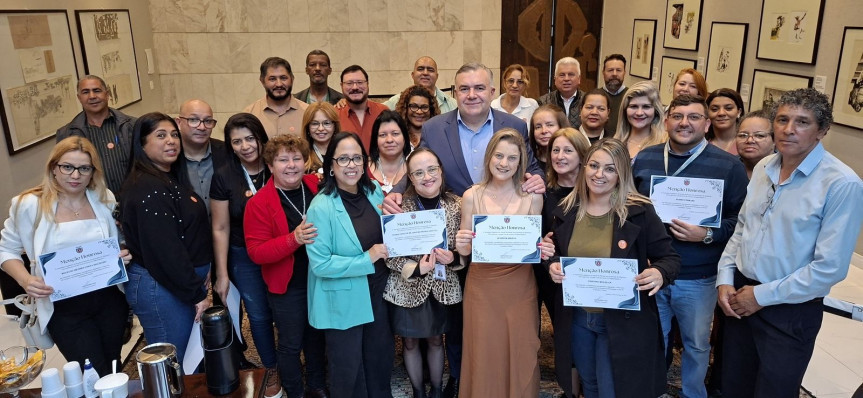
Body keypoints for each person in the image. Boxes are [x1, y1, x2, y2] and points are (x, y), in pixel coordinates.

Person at [717, 88, 863, 397]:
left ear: (822, 131)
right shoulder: (763, 167)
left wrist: (762, 296)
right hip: (741, 295)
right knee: (732, 385)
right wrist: (725, 278)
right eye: (782, 119)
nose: (788, 129)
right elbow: (742, 228)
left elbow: (830, 268)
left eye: (802, 122)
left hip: (789, 309)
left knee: (774, 390)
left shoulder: (841, 184)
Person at [632, 95, 748, 398]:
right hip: (651, 271)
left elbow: (742, 222)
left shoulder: (729, 166)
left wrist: (706, 235)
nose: (685, 123)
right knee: (654, 338)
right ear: (667, 120)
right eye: (678, 116)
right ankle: (652, 388)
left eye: (694, 117)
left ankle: (693, 393)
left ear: (707, 124)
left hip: (699, 276)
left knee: (697, 343)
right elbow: (629, 210)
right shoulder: (646, 158)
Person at [547, 138, 680, 398]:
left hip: (621, 319)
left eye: (610, 168)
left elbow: (670, 258)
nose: (599, 174)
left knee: (613, 389)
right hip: (579, 318)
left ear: (621, 174)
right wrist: (551, 265)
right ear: (584, 167)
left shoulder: (639, 211)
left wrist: (659, 273)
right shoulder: (566, 210)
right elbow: (555, 254)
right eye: (594, 165)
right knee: (590, 383)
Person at [0, 137, 131, 376]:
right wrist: (26, 280)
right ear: (53, 168)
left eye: (84, 168)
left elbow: (118, 241)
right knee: (91, 371)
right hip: (63, 307)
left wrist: (120, 256)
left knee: (113, 364)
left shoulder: (104, 199)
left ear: (93, 172)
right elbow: (6, 250)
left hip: (109, 300)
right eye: (67, 167)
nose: (75, 175)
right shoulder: (29, 204)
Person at [454, 129, 554, 398]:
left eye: (512, 158)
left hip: (520, 285)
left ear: (520, 161)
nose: (504, 163)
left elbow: (536, 245)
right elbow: (464, 249)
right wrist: (461, 244)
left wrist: (543, 248)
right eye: (498, 155)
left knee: (521, 349)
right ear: (488, 157)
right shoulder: (471, 195)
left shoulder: (532, 196)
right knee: (484, 350)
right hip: (482, 287)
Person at [120, 112, 212, 365]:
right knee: (171, 364)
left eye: (174, 135)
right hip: (160, 287)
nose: (171, 141)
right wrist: (197, 294)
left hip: (176, 283)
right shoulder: (148, 187)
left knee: (186, 360)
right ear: (142, 144)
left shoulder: (167, 178)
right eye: (160, 135)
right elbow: (166, 251)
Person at [306, 132, 393, 398]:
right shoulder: (320, 207)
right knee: (348, 368)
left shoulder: (373, 191)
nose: (351, 165)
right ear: (330, 165)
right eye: (343, 159)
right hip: (343, 299)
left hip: (377, 292)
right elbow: (321, 265)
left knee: (379, 359)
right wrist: (367, 258)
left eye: (357, 158)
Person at [243, 134, 328, 398]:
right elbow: (256, 252)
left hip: (320, 278)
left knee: (317, 338)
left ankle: (316, 386)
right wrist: (294, 239)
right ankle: (295, 391)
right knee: (291, 343)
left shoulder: (317, 186)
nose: (291, 165)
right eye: (283, 159)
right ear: (270, 165)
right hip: (288, 285)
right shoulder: (258, 203)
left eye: (297, 158)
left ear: (306, 162)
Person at [208, 113, 285, 398]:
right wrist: (222, 273)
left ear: (260, 137)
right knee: (259, 314)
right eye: (236, 141)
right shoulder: (224, 176)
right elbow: (220, 227)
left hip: (284, 250)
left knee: (288, 308)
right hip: (244, 256)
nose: (245, 146)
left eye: (249, 138)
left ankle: (295, 361)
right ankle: (272, 366)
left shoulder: (277, 165)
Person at [383, 148, 463, 398]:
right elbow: (390, 254)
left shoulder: (458, 204)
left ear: (441, 171)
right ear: (410, 177)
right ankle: (418, 391)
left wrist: (455, 258)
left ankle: (437, 390)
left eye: (432, 169)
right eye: (418, 172)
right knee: (409, 342)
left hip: (443, 285)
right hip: (407, 287)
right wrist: (417, 268)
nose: (426, 177)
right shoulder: (398, 207)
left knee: (437, 340)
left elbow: (468, 246)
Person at [56, 75, 136, 195]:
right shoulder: (66, 134)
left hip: (134, 199)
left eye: (97, 91)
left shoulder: (132, 126)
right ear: (79, 98)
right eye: (85, 92)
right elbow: (64, 173)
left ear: (107, 94)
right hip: (94, 204)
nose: (92, 96)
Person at [176, 99, 228, 213]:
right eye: (193, 120)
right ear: (179, 123)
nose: (202, 127)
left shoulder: (226, 152)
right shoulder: (170, 157)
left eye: (208, 121)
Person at [244, 57, 309, 137]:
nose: (279, 84)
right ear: (262, 81)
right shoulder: (250, 114)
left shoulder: (308, 112)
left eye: (283, 78)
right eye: (272, 79)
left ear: (292, 79)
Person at [338, 65, 389, 150]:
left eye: (360, 82)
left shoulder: (383, 111)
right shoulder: (334, 114)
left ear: (368, 84)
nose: (355, 87)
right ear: (341, 86)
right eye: (349, 83)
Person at [383, 56, 457, 113]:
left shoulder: (452, 105)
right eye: (420, 69)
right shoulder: (395, 102)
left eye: (430, 70)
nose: (425, 73)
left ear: (437, 76)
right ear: (413, 75)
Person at [614, 81, 666, 160]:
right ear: (625, 110)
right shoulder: (615, 143)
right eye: (633, 106)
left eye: (646, 107)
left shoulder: (664, 144)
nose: (639, 113)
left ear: (656, 111)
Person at [369, 111, 410, 194]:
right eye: (383, 135)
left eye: (395, 134)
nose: (389, 140)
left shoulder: (415, 169)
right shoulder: (362, 169)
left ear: (404, 138)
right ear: (375, 140)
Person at [539, 57, 585, 128]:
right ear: (555, 80)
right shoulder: (543, 102)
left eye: (571, 74)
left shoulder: (587, 101)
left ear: (579, 79)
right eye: (562, 75)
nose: (566, 79)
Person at [395, 85, 440, 150]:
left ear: (431, 110)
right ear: (405, 108)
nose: (419, 112)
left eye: (424, 107)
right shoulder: (396, 135)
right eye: (414, 106)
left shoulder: (440, 136)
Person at [301, 102, 341, 176]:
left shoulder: (345, 152)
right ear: (307, 127)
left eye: (326, 123)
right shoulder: (301, 155)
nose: (321, 128)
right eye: (315, 123)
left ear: (335, 126)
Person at [735, 110, 775, 179]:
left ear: (774, 140)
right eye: (743, 135)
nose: (750, 140)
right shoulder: (726, 167)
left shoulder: (785, 170)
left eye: (759, 135)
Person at [529, 104, 569, 172]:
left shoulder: (572, 159)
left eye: (550, 125)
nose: (544, 131)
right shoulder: (529, 160)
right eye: (538, 127)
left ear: (561, 127)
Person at [706, 89, 745, 155]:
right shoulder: (699, 144)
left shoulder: (747, 143)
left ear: (739, 112)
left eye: (728, 108)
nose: (721, 113)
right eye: (714, 109)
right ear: (707, 113)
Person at [601, 54, 628, 132]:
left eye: (619, 70)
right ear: (603, 72)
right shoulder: (595, 96)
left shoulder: (631, 97)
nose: (614, 74)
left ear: (624, 73)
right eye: (610, 70)